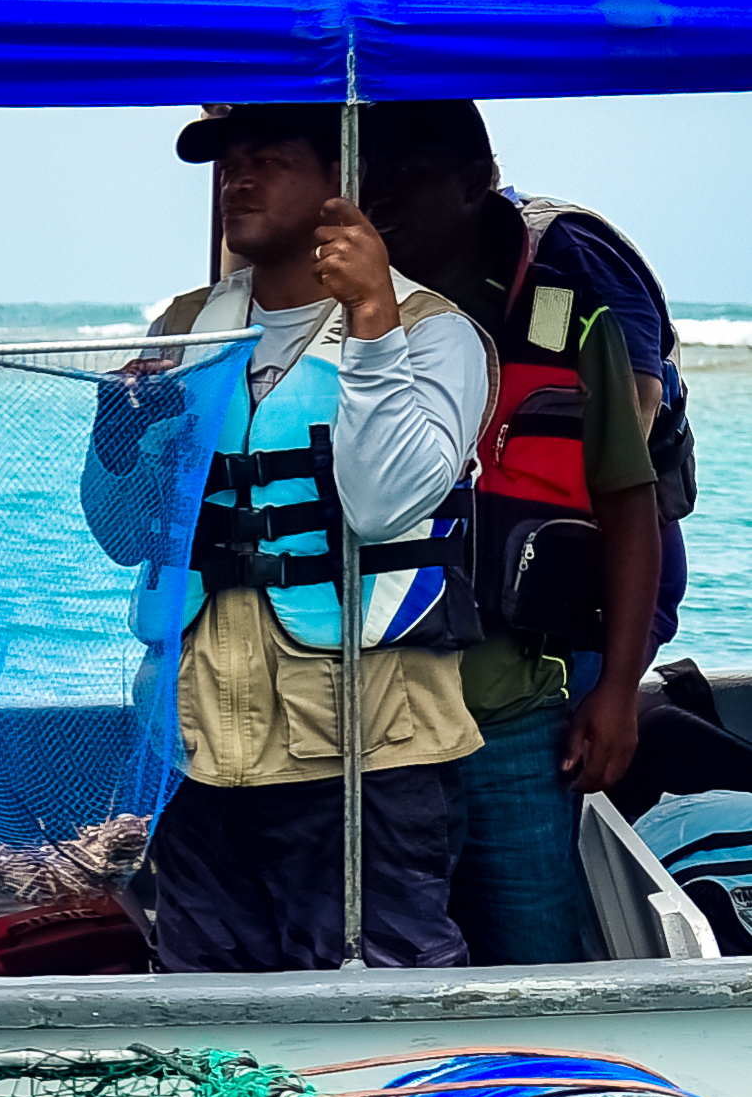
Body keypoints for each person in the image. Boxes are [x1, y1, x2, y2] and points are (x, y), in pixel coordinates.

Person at [102, 108, 496, 970]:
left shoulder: (436, 332)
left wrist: (370, 321)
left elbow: (388, 500)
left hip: (366, 745)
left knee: (381, 985)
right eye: (228, 164)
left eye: (269, 160)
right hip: (194, 742)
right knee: (204, 993)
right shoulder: (181, 327)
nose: (236, 180)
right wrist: (117, 439)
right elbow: (123, 532)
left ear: (338, 185)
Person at [359, 99, 695, 962]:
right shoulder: (337, 314)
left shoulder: (581, 286)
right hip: (377, 708)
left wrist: (615, 690)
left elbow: (628, 491)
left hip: (519, 683)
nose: (378, 200)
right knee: (385, 951)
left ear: (477, 184)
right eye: (366, 179)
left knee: (531, 943)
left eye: (406, 181)